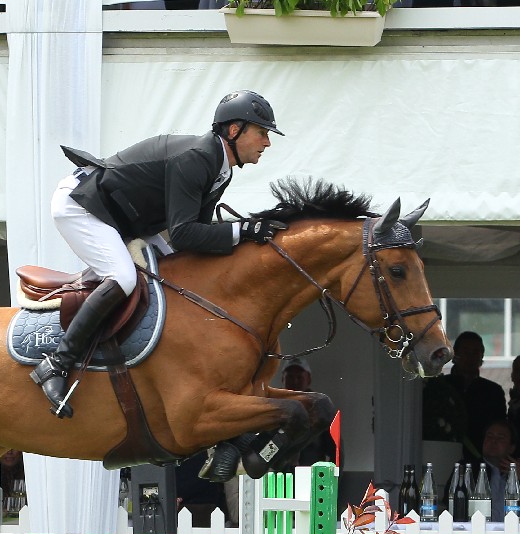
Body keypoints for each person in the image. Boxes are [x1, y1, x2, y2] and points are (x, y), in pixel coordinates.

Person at [32, 90, 284, 421]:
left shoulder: (220, 168)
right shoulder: (197, 159)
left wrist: (245, 238)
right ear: (234, 130)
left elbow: (192, 243)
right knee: (122, 277)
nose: (267, 143)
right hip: (83, 205)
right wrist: (243, 231)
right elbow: (183, 233)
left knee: (177, 274)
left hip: (124, 217)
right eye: (262, 132)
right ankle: (56, 364)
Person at [421, 331, 506, 459]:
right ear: (455, 355)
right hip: (440, 453)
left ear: (481, 356)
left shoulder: (493, 391)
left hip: (479, 457)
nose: (470, 357)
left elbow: (499, 428)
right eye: (466, 351)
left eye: (475, 352)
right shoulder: (438, 387)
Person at [276, 356, 336, 468]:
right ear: (282, 379)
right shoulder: (273, 408)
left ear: (308, 379)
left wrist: (334, 481)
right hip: (278, 478)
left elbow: (336, 452)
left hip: (311, 479)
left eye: (299, 377)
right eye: (290, 377)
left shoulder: (321, 410)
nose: (295, 381)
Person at [462, 418, 520, 518]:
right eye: (489, 436)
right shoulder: (466, 468)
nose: (493, 441)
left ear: (511, 448)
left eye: (500, 438)